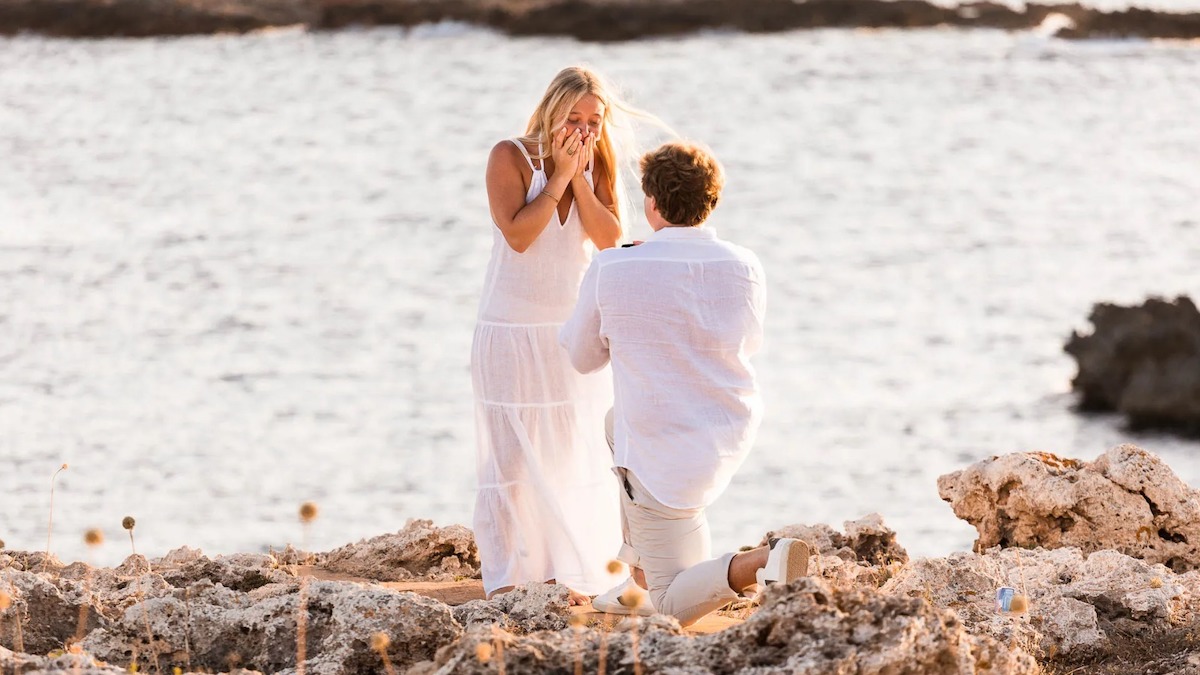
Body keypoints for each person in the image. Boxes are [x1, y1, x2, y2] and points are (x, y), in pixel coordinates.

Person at [558, 141, 811, 626]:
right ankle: (636, 582)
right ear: (710, 203)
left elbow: (582, 356)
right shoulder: (745, 265)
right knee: (616, 426)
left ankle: (763, 561)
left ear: (650, 203)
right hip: (724, 432)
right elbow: (746, 340)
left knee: (672, 603)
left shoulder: (614, 264)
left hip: (661, 453)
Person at [473, 65, 642, 603]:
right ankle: (508, 579)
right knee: (513, 459)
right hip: (509, 330)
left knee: (575, 450)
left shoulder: (598, 159)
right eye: (575, 117)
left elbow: (611, 240)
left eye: (595, 119)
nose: (586, 128)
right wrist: (561, 179)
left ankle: (566, 573)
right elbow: (519, 235)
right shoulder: (510, 156)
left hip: (572, 332)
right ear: (552, 110)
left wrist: (584, 178)